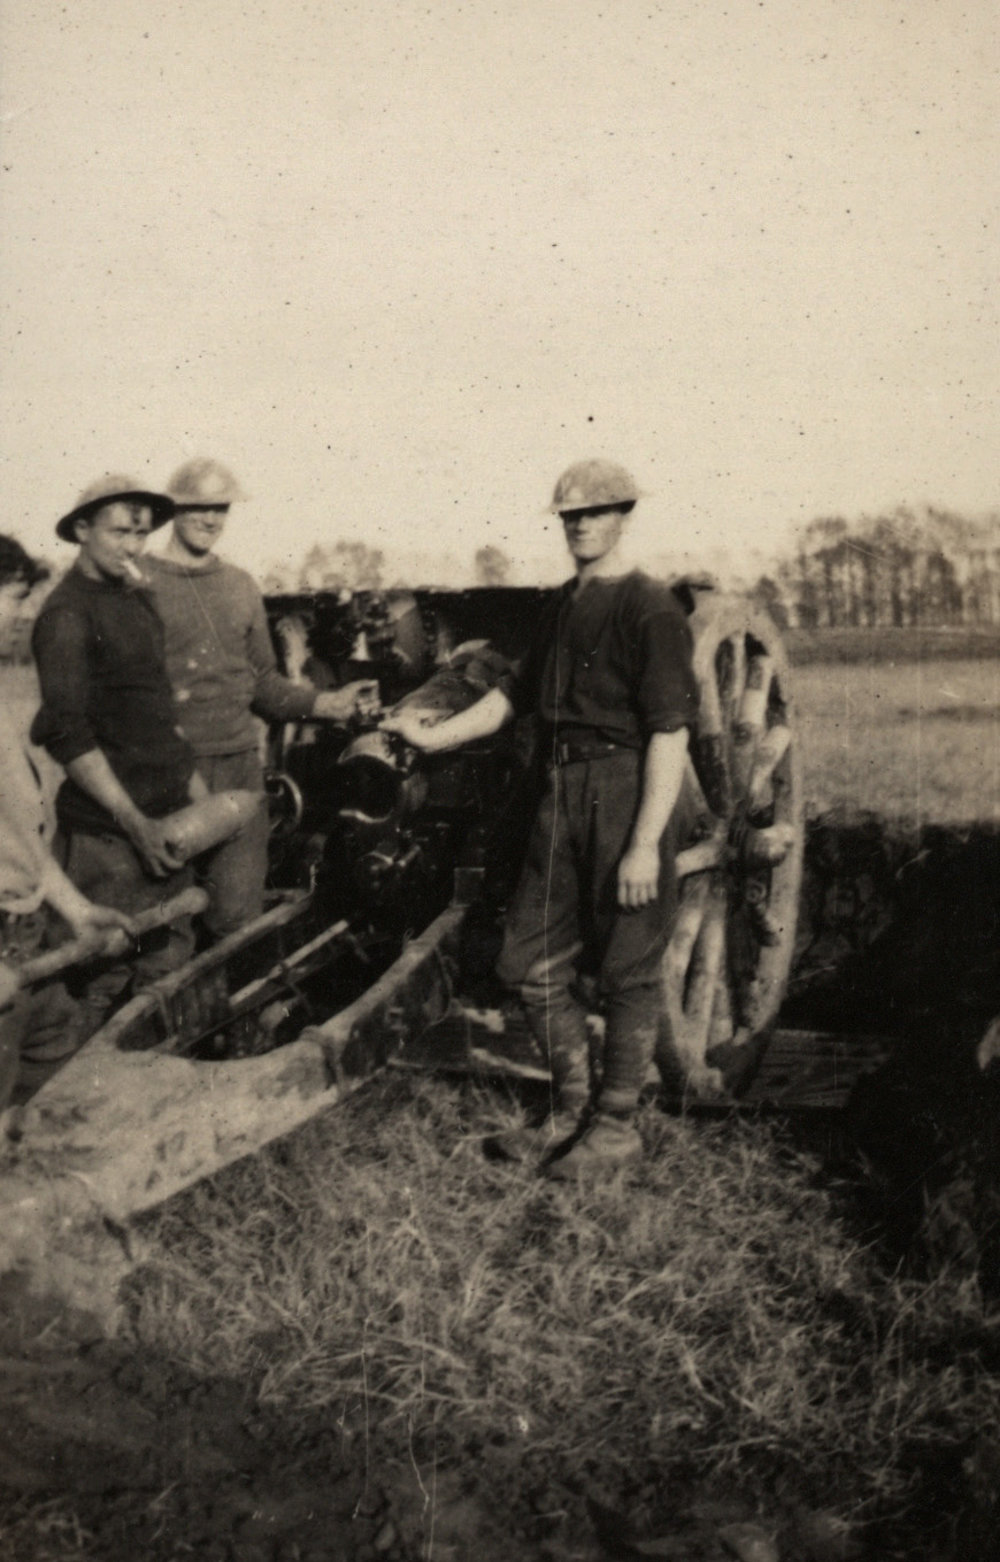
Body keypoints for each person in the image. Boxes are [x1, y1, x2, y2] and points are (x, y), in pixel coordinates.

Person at [383, 459, 699, 1177]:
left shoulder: (651, 608)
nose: (581, 525)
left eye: (594, 513)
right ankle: (569, 1112)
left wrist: (646, 844)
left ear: (623, 515)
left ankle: (615, 1130)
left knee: (627, 968)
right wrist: (434, 736)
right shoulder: (558, 607)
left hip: (626, 789)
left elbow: (671, 735)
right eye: (570, 515)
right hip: (559, 791)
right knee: (525, 960)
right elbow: (508, 700)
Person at [142, 457, 378, 939]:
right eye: (198, 507)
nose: (211, 519)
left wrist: (330, 704)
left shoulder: (240, 586)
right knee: (164, 934)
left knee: (238, 923)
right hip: (165, 775)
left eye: (221, 508)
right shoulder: (139, 585)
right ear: (173, 509)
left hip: (239, 773)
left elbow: (266, 686)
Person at [30, 475, 202, 1030]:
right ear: (82, 529)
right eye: (120, 532)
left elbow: (154, 709)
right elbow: (66, 733)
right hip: (109, 841)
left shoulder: (136, 598)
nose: (133, 547)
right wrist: (133, 822)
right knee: (91, 985)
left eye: (143, 535)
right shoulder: (67, 615)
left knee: (165, 972)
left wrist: (191, 788)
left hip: (166, 826)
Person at [1, 534, 136, 1105]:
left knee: (46, 1078)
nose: (22, 611)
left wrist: (78, 911)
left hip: (22, 935)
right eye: (11, 595)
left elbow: (20, 839)